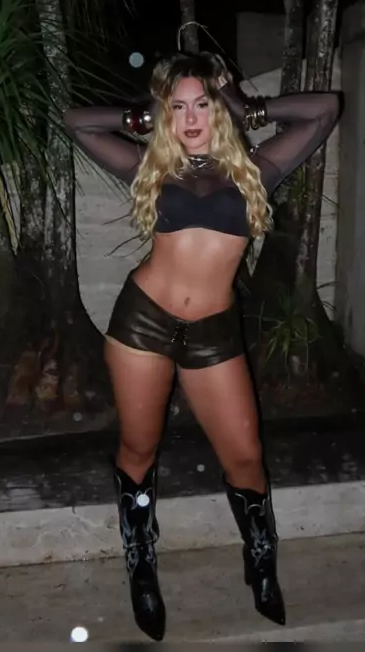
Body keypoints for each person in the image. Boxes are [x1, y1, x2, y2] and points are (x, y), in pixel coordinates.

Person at [64, 51, 340, 641]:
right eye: (179, 107)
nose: (191, 118)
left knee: (245, 456)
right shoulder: (152, 168)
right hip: (143, 324)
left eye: (201, 105)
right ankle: (141, 563)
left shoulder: (256, 170)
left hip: (214, 333)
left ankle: (259, 562)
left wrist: (246, 105)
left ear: (218, 110)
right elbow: (77, 123)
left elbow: (324, 110)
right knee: (138, 450)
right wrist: (143, 117)